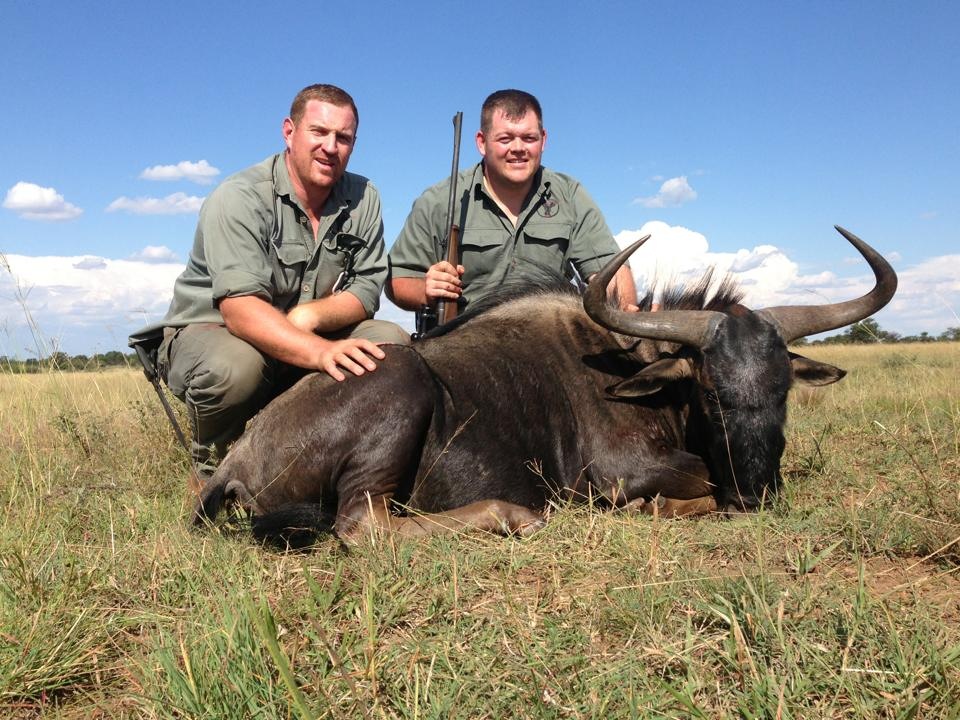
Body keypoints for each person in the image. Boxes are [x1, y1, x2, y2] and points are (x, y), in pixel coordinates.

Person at [130, 83, 409, 481]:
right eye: (319, 132)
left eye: (343, 138)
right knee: (236, 368)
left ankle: (329, 459)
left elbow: (366, 289)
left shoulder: (365, 197)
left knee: (390, 345)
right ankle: (211, 468)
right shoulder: (239, 197)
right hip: (219, 330)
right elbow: (241, 311)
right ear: (289, 131)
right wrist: (319, 353)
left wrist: (311, 316)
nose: (331, 147)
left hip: (303, 329)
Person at [387, 89, 636, 326]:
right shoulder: (439, 200)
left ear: (543, 140)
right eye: (505, 139)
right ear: (482, 142)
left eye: (529, 138)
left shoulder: (571, 195)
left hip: (549, 339)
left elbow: (610, 272)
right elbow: (398, 281)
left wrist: (622, 308)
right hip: (463, 340)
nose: (518, 149)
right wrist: (427, 289)